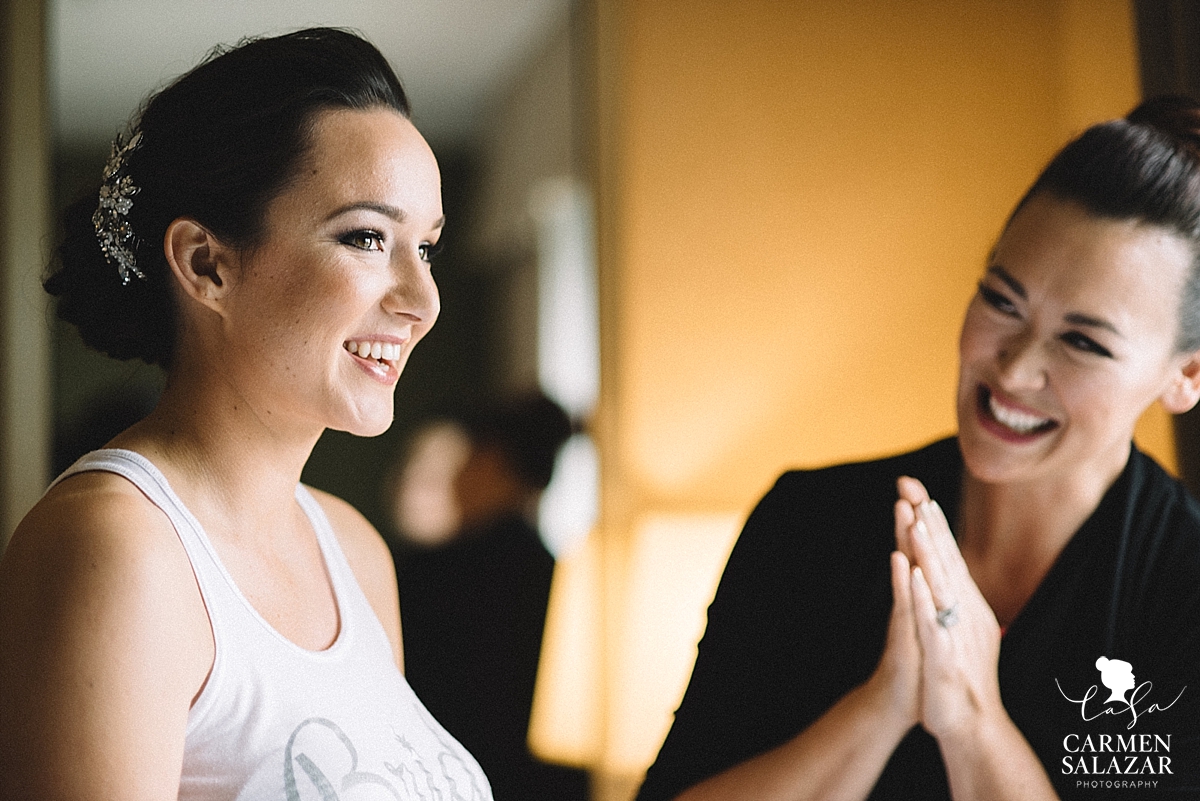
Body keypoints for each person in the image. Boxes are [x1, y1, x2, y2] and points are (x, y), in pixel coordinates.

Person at [636, 96, 1200, 801]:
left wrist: (971, 718)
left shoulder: (1180, 591)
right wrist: (880, 706)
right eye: (1002, 299)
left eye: (1083, 342)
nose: (1015, 370)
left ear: (1185, 375)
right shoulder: (807, 521)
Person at [0, 28, 494, 800]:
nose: (422, 302)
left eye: (425, 247)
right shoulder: (118, 547)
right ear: (206, 263)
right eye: (367, 237)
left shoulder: (356, 553)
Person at [392, 393, 589, 801]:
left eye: (466, 458)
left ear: (493, 462)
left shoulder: (427, 579)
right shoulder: (569, 583)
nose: (455, 476)